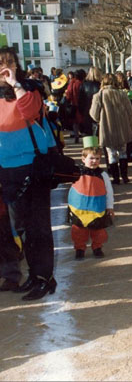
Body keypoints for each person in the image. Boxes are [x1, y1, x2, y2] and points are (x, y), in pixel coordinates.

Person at [0, 46, 56, 300]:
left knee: (38, 226)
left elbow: (30, 112)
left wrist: (15, 85)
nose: (6, 66)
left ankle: (44, 276)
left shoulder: (29, 88)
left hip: (32, 164)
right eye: (1, 63)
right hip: (6, 168)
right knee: (19, 226)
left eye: (10, 61)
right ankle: (34, 274)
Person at [68, 137, 114, 260]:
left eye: (97, 158)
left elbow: (109, 191)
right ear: (83, 159)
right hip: (79, 208)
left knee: (98, 230)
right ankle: (79, 249)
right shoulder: (76, 173)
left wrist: (110, 206)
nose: (94, 161)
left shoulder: (102, 175)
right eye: (91, 158)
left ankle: (97, 247)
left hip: (97, 207)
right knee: (78, 230)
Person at [90, 73, 132, 185]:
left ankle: (116, 178)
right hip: (123, 127)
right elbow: (130, 113)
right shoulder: (122, 94)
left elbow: (94, 114)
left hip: (107, 128)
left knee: (111, 154)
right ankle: (125, 176)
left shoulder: (99, 95)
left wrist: (101, 118)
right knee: (123, 152)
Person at [79, 67, 102, 136]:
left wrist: (82, 111)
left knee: (89, 132)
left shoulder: (84, 85)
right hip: (99, 110)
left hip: (87, 110)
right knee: (99, 131)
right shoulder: (101, 85)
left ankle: (91, 145)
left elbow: (80, 100)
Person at [65, 69, 84, 143]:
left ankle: (76, 135)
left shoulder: (72, 83)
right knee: (82, 120)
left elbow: (68, 94)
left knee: (75, 122)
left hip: (74, 104)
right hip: (82, 105)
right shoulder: (83, 83)